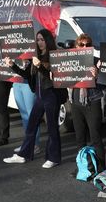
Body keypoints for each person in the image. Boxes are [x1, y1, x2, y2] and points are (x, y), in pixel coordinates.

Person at [3, 29, 62, 169]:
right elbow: (27, 75)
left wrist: (39, 66)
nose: (39, 42)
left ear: (48, 40)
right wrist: (12, 66)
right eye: (38, 39)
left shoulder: (54, 56)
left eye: (42, 39)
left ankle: (53, 158)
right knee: (31, 125)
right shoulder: (34, 56)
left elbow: (53, 77)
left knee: (52, 128)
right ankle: (24, 155)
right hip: (40, 97)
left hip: (52, 96)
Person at [69, 33, 106, 175]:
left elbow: (104, 85)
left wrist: (97, 75)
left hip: (92, 102)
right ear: (76, 46)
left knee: (96, 137)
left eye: (87, 45)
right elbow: (63, 78)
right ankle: (83, 167)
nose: (84, 47)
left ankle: (102, 169)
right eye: (81, 44)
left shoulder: (97, 61)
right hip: (76, 102)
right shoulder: (70, 61)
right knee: (80, 138)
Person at [12, 60, 41, 155]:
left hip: (28, 83)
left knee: (32, 115)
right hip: (16, 81)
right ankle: (27, 143)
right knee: (24, 116)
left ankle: (35, 145)